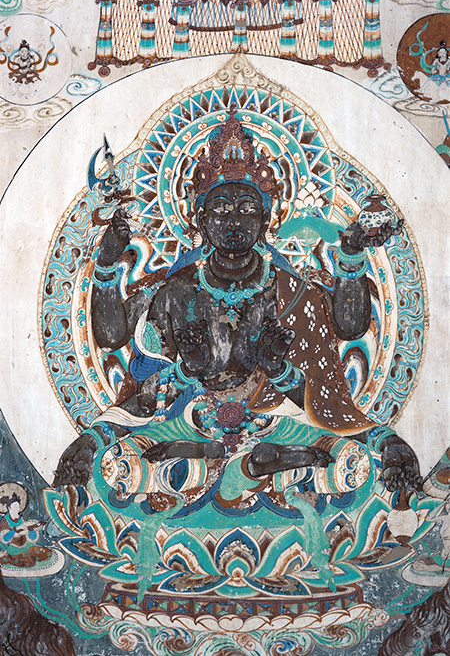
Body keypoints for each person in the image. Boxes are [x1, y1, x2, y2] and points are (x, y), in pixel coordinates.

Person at [53, 108, 421, 504]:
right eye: (220, 210)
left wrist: (282, 372)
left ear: (265, 219)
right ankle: (249, 469)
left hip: (278, 425)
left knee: (350, 464)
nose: (233, 221)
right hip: (191, 425)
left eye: (247, 210)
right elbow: (118, 349)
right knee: (120, 466)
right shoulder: (178, 291)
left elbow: (343, 348)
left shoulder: (290, 291)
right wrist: (108, 264)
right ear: (200, 219)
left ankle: (242, 467)